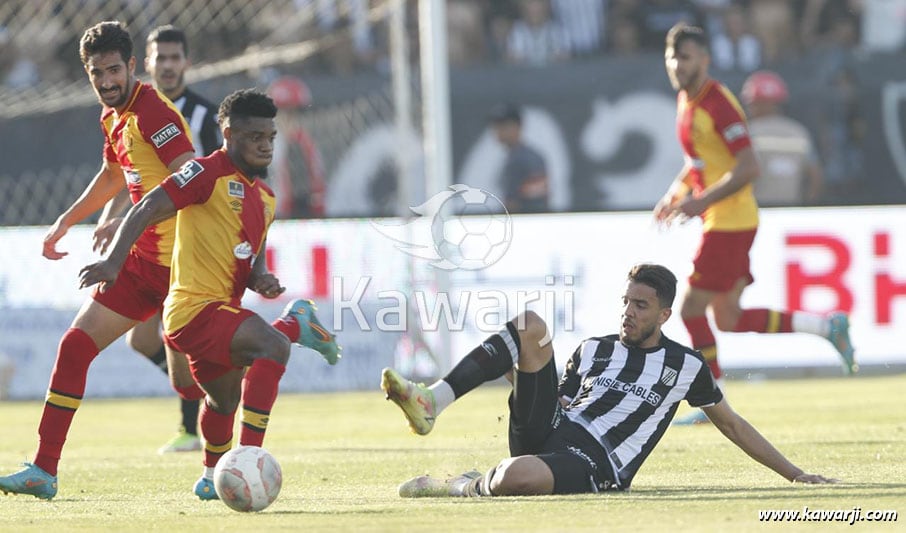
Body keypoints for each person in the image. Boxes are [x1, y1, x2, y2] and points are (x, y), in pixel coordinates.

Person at [0, 24, 336, 501]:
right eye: (97, 73)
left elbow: (189, 176)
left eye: (115, 70)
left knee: (199, 388)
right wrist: (66, 221)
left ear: (133, 67)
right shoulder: (112, 117)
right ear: (88, 74)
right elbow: (115, 174)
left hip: (183, 272)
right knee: (77, 347)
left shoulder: (154, 111)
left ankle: (220, 459)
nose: (107, 80)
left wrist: (226, 249)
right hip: (141, 268)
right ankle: (43, 469)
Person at [381, 263, 837, 496]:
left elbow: (733, 425)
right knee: (531, 327)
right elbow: (556, 398)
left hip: (596, 462)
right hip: (550, 429)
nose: (629, 312)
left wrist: (795, 475)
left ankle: (462, 484)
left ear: (663, 314)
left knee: (516, 478)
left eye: (641, 305)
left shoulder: (686, 366)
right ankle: (432, 401)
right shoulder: (594, 349)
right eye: (626, 302)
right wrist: (519, 368)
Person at [85, 89, 339, 500]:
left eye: (270, 137)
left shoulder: (266, 197)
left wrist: (260, 277)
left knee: (223, 403)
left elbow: (249, 251)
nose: (264, 144)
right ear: (227, 133)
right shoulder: (205, 173)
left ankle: (210, 474)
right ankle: (251, 455)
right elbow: (149, 204)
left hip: (220, 312)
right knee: (272, 347)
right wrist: (114, 262)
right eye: (254, 135)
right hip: (190, 309)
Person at [653, 23, 855, 425]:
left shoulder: (718, 104)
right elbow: (700, 163)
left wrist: (701, 202)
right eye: (672, 57)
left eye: (686, 56)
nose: (678, 64)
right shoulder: (686, 100)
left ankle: (713, 400)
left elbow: (749, 167)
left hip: (730, 221)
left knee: (691, 309)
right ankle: (825, 326)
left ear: (705, 60)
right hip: (724, 219)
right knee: (726, 318)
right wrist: (675, 194)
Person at [102, 24, 223, 455]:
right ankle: (209, 399)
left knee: (180, 336)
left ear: (186, 62)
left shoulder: (206, 117)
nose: (168, 66)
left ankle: (195, 428)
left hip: (191, 244)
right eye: (161, 58)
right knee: (144, 340)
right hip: (149, 241)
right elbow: (131, 175)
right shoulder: (131, 111)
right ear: (147, 63)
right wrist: (111, 216)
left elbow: (214, 177)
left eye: (175, 58)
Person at [742, 70, 824, 206]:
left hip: (757, 211)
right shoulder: (799, 132)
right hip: (791, 212)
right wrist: (807, 206)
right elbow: (816, 176)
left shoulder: (749, 133)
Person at [490, 103, 549, 213]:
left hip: (525, 224)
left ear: (518, 127)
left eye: (504, 126)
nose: (498, 131)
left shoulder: (529, 159)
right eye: (496, 126)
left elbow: (534, 204)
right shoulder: (512, 157)